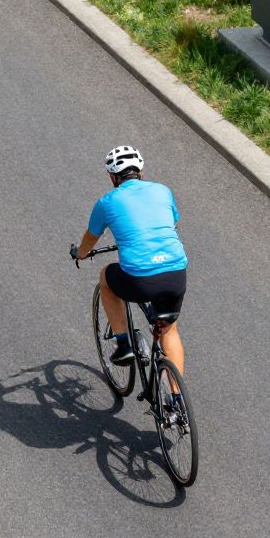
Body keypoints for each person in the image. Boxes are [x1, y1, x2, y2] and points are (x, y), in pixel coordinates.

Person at [75, 145, 187, 376]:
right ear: (141, 171)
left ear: (113, 177)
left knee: (106, 277)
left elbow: (90, 238)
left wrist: (80, 253)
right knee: (168, 329)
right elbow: (172, 222)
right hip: (176, 272)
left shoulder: (106, 202)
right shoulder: (163, 191)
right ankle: (176, 403)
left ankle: (124, 344)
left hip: (139, 279)